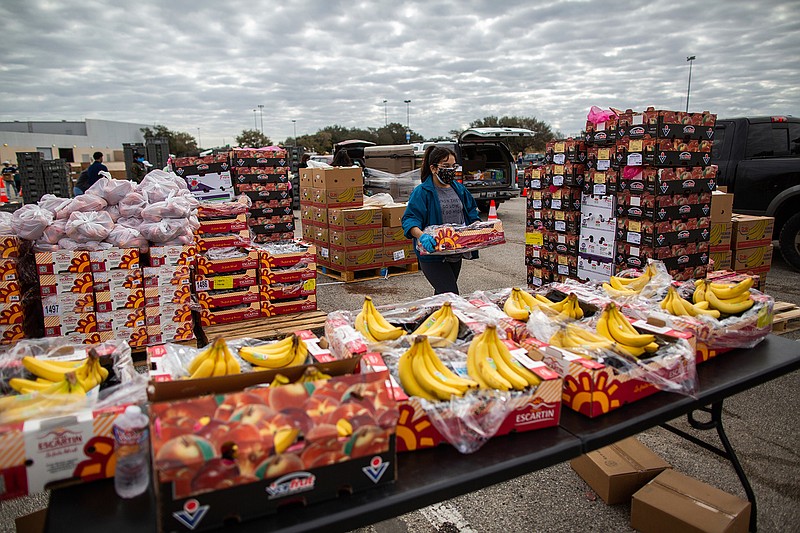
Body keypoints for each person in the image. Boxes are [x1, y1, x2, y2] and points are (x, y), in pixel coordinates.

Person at [402, 146, 480, 295]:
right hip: (432, 254)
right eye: (446, 166)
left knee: (442, 297)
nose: (451, 170)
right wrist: (422, 236)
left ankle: (433, 318)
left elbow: (471, 211)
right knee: (450, 294)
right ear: (433, 168)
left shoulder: (459, 189)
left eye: (453, 166)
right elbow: (410, 219)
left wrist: (477, 228)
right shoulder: (423, 192)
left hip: (455, 252)